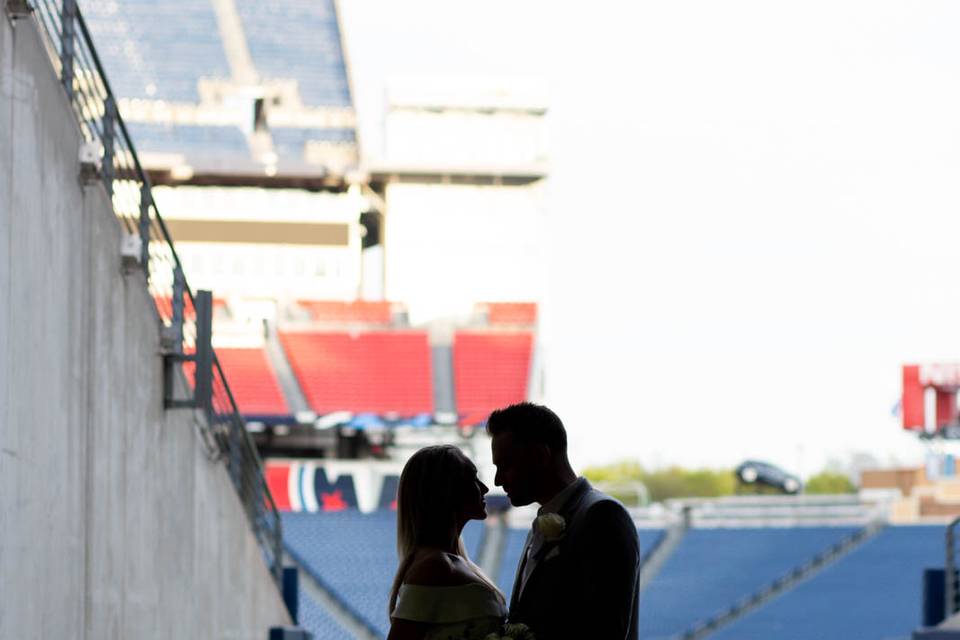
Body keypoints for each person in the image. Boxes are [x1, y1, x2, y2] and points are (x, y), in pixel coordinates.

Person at [489, 402, 640, 639]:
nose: (498, 481)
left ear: (541, 456)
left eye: (506, 465)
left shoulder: (602, 515)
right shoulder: (542, 523)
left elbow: (607, 629)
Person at [387, 445, 507, 640]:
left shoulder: (448, 562)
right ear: (445, 491)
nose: (484, 488)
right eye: (472, 479)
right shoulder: (433, 565)